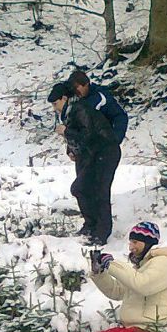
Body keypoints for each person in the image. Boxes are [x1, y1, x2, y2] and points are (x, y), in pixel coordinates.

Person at [48, 81, 120, 244]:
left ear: (64, 98)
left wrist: (66, 131)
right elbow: (79, 136)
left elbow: (87, 135)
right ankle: (90, 225)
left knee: (99, 192)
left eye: (55, 103)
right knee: (81, 189)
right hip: (91, 154)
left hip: (105, 151)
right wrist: (71, 150)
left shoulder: (79, 109)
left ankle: (101, 232)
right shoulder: (70, 111)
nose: (54, 108)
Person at [67, 69, 128, 145]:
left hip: (105, 143)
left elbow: (120, 116)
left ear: (86, 84)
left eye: (77, 87)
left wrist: (115, 139)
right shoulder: (76, 100)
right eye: (73, 88)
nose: (75, 91)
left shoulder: (101, 97)